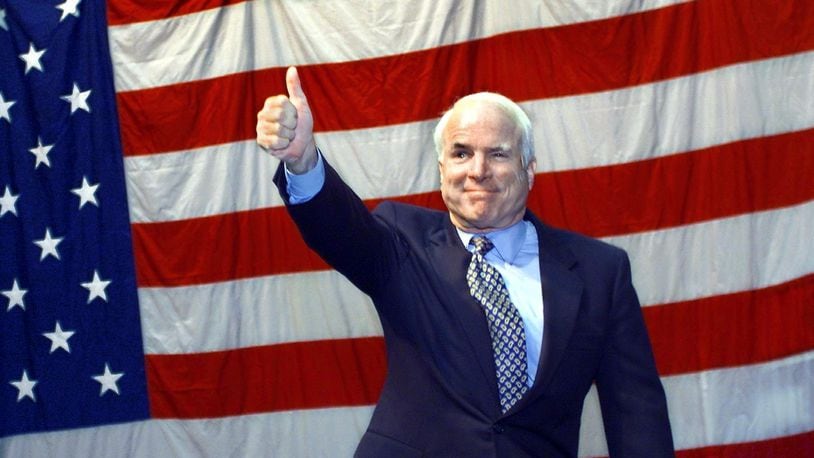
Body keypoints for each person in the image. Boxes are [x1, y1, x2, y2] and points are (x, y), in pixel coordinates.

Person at [256, 67, 674, 457]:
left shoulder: (601, 271)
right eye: (461, 153)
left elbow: (636, 412)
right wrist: (303, 161)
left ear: (529, 171)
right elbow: (340, 231)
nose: (478, 170)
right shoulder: (402, 240)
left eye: (498, 153)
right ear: (442, 170)